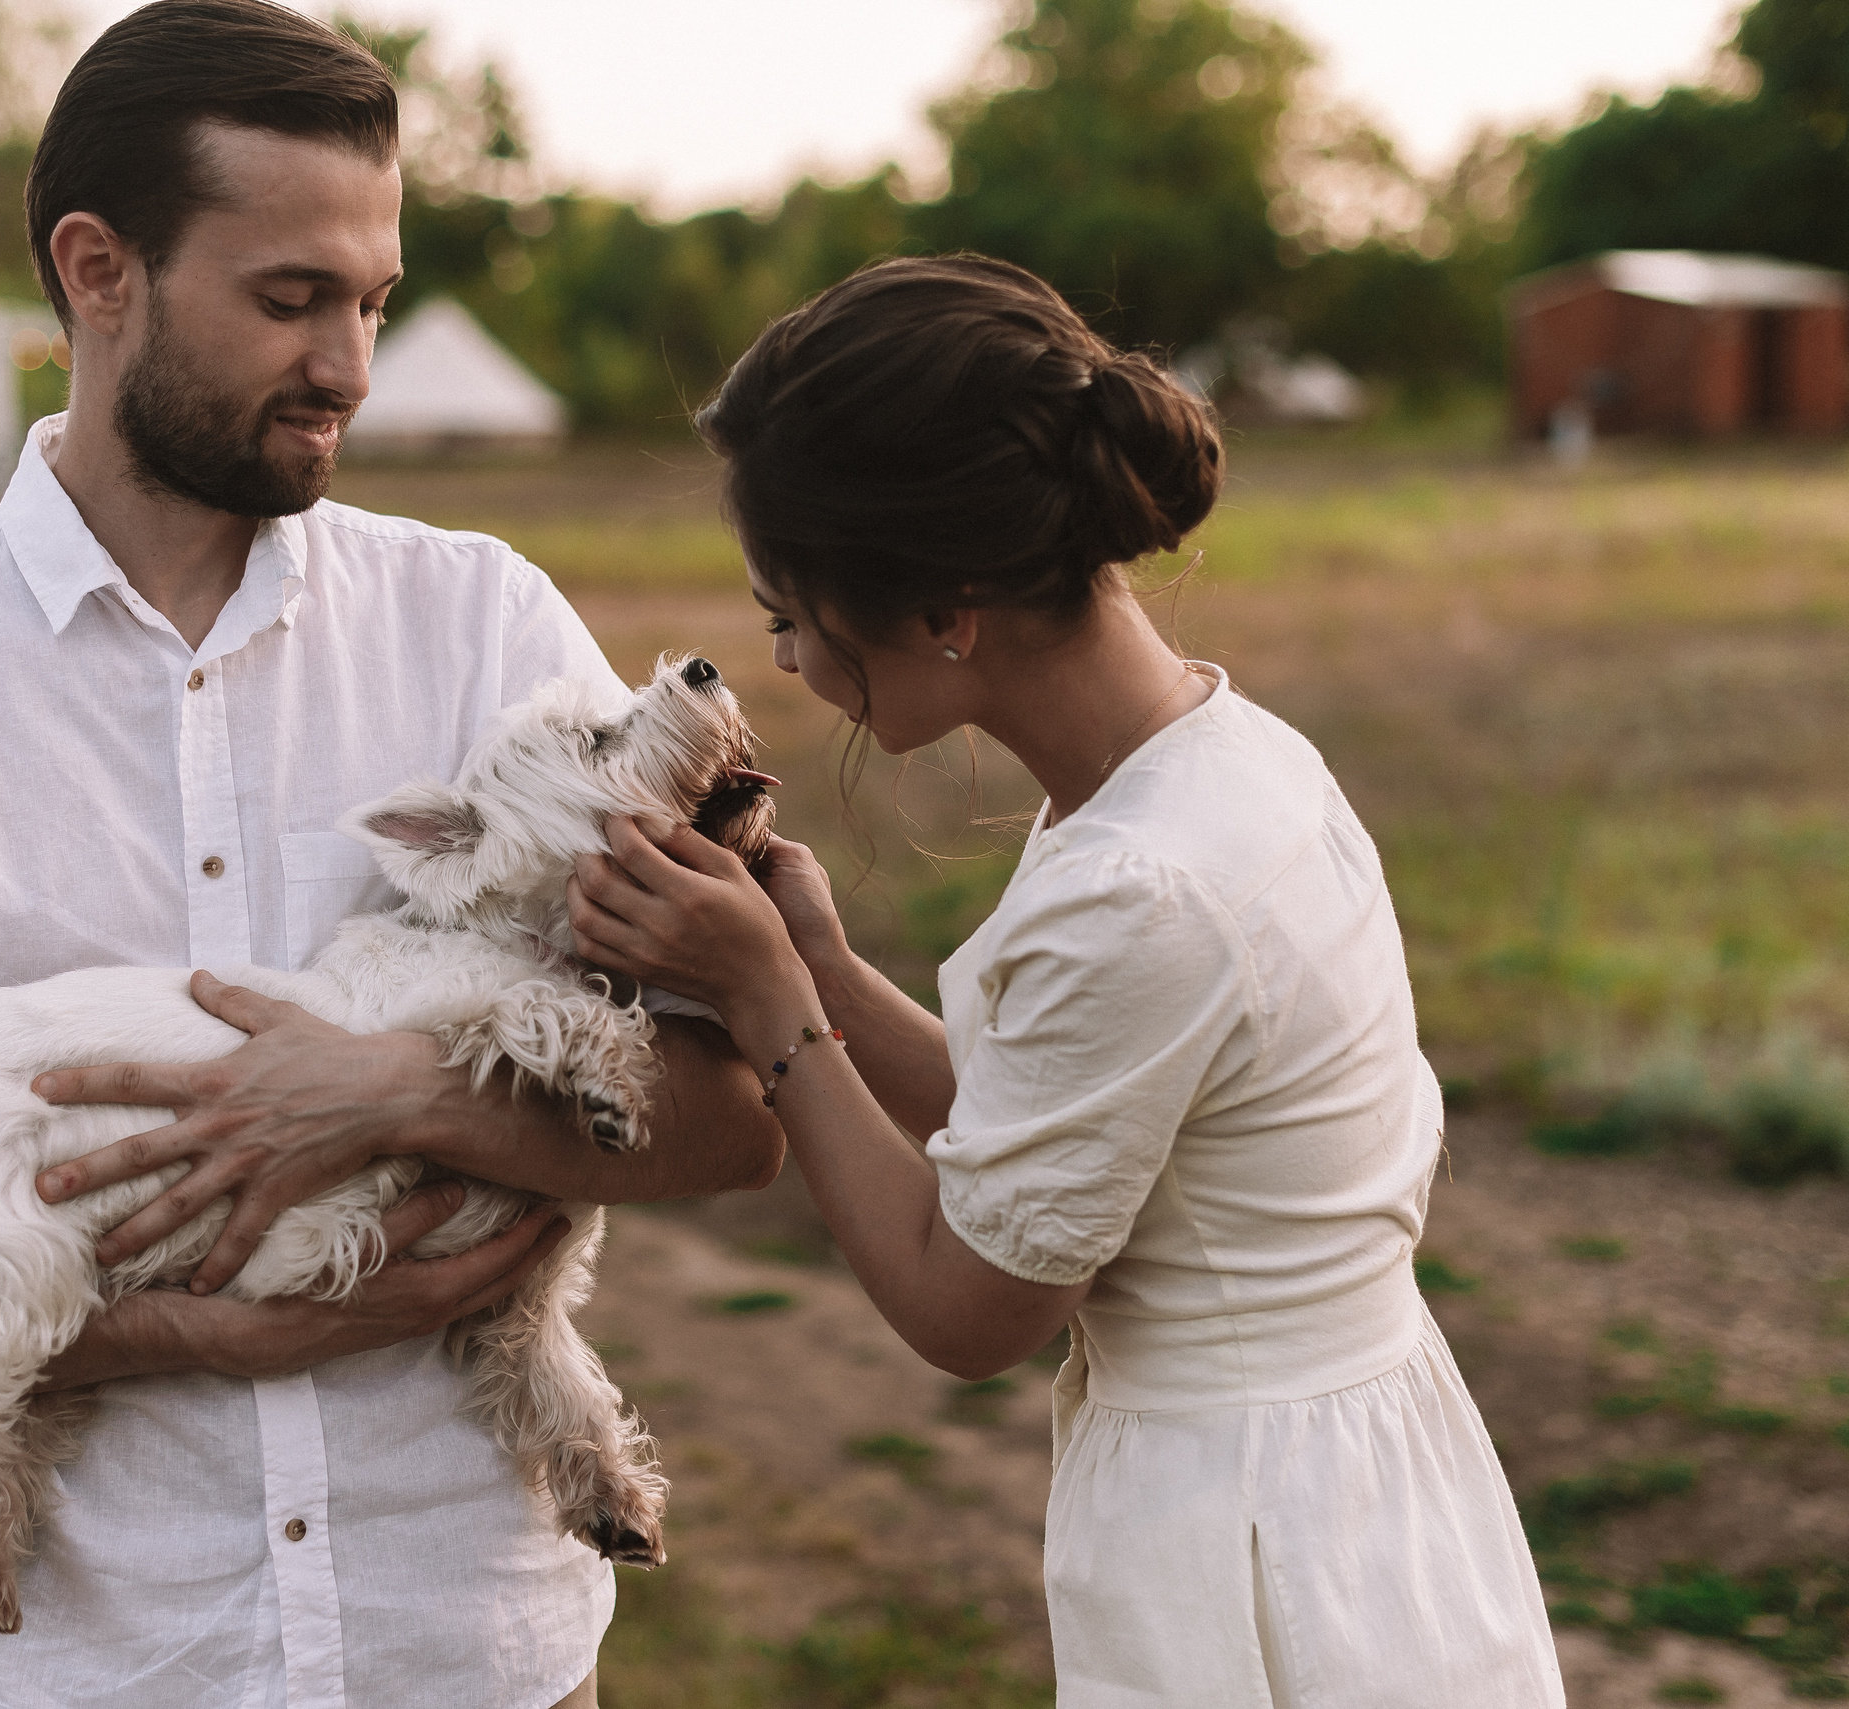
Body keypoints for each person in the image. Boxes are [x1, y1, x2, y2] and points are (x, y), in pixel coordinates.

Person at [0, 5, 779, 1705]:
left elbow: (719, 1114)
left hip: (468, 1656)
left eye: (372, 302)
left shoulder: (484, 625)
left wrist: (397, 1094)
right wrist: (218, 1331)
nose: (349, 361)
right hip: (72, 1665)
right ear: (98, 271)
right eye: (290, 299)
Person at [559, 255, 1567, 1708]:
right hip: (1359, 1465)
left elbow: (967, 1306)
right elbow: (1060, 1125)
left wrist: (774, 1007)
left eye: (790, 612)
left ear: (941, 608)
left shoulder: (1138, 886)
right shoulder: (1214, 760)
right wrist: (826, 964)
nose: (782, 657)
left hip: (1250, 1528)